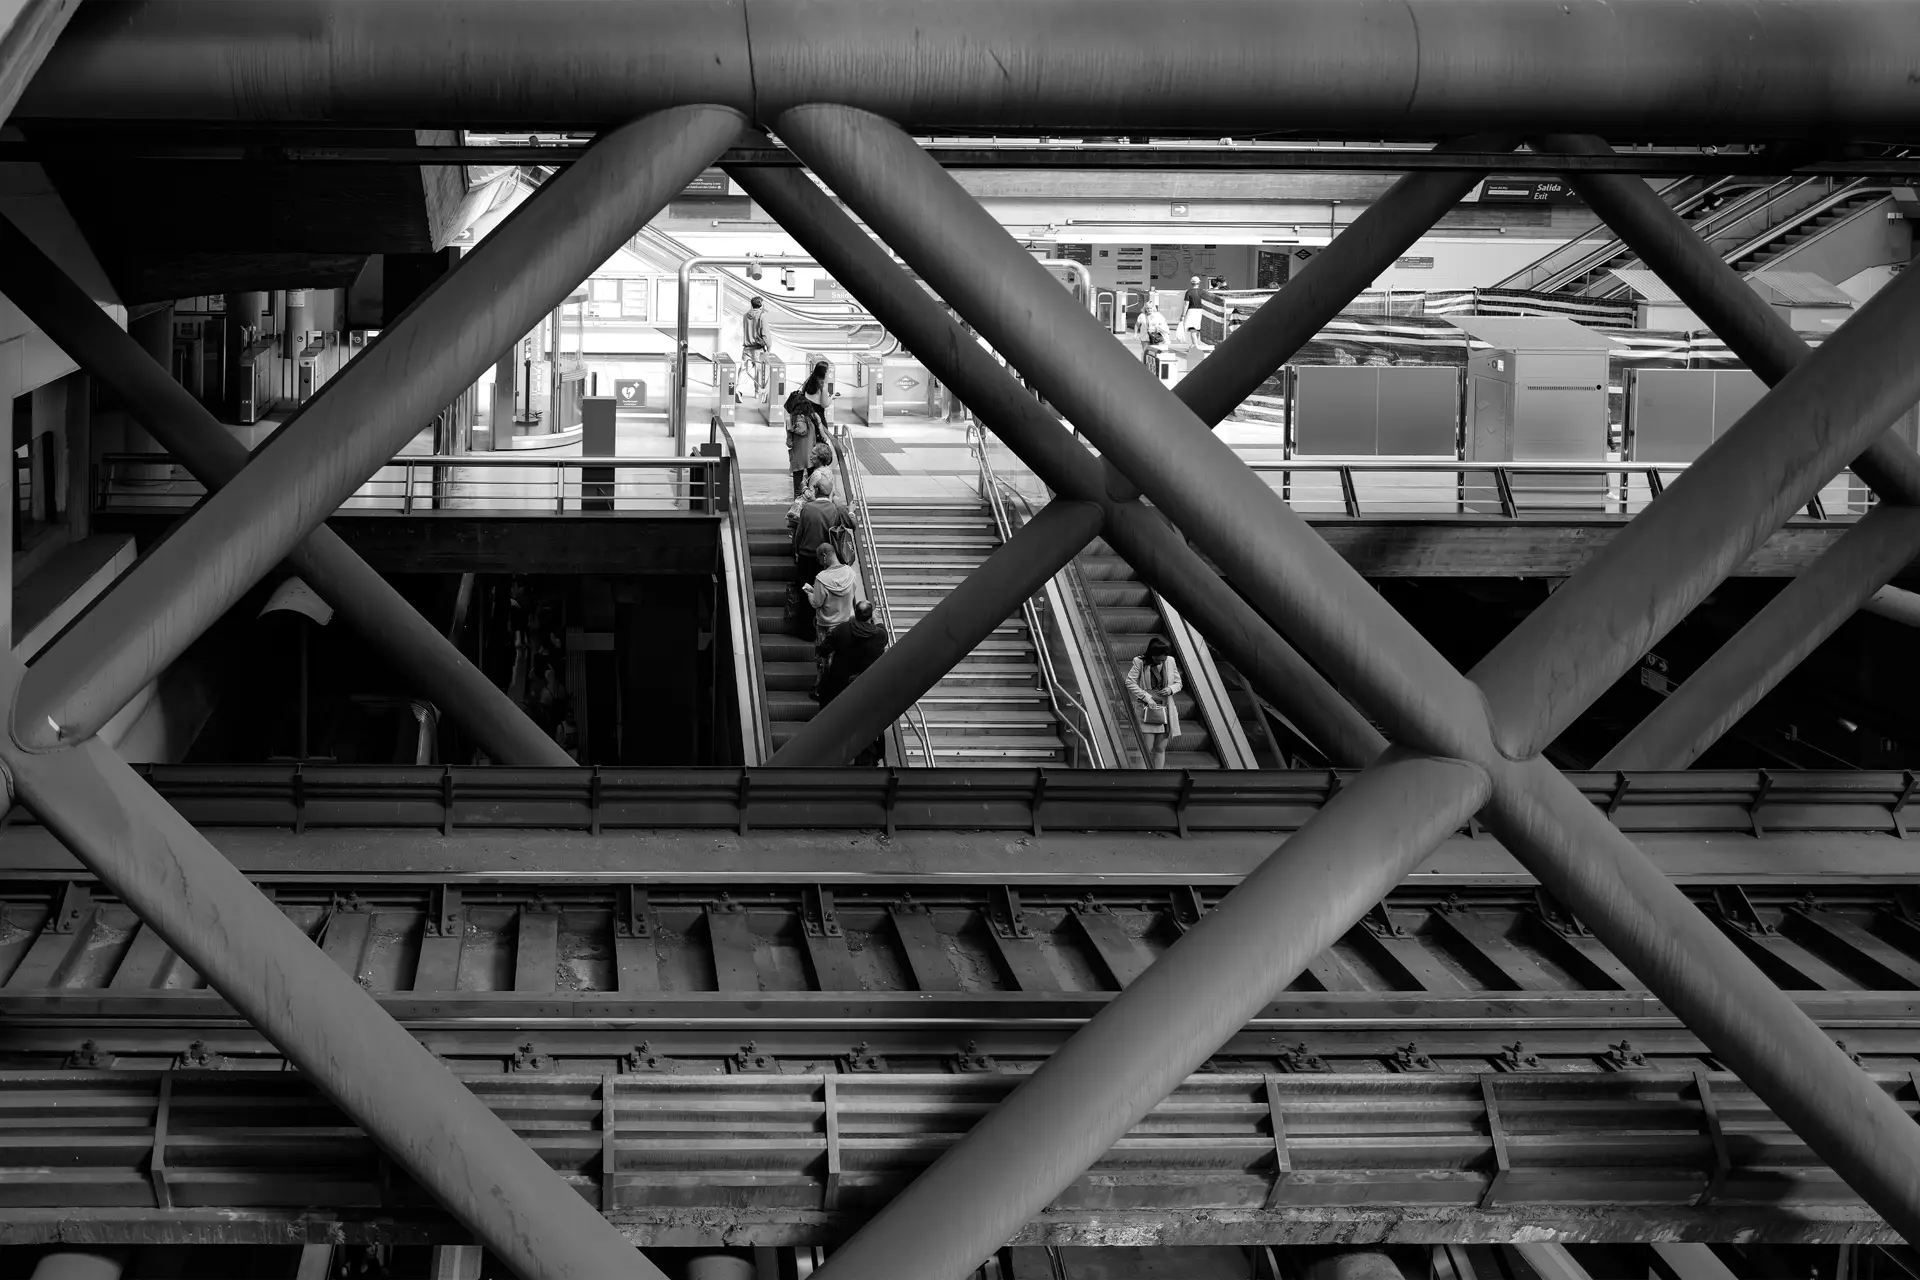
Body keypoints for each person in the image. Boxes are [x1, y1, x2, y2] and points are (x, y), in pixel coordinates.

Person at [818, 599, 889, 765]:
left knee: (830, 710)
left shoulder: (842, 630)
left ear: (855, 613)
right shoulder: (880, 636)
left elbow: (824, 649)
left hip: (838, 682)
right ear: (870, 616)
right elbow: (881, 629)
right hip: (865, 686)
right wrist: (877, 619)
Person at [789, 477, 856, 634]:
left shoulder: (807, 508)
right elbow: (851, 524)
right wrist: (851, 510)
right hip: (825, 559)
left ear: (816, 491)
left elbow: (799, 532)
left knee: (805, 591)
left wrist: (797, 550)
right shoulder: (835, 510)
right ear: (830, 492)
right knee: (823, 594)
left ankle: (804, 630)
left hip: (806, 556)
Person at [804, 541, 866, 691]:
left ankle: (821, 686)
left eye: (820, 559)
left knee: (822, 656)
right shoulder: (850, 573)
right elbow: (852, 593)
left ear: (824, 556)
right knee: (839, 656)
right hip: (844, 623)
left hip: (826, 625)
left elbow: (817, 603)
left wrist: (809, 593)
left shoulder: (822, 578)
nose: (820, 563)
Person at [1125, 635, 1184, 769]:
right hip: (1147, 709)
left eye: (1163, 660)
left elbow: (1178, 683)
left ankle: (1158, 777)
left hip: (1166, 709)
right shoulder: (1139, 661)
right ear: (1152, 655)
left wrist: (1170, 689)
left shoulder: (1170, 661)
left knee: (1160, 748)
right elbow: (1129, 682)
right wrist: (1147, 697)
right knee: (1146, 748)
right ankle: (1142, 780)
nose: (1160, 663)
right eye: (1158, 660)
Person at [740, 297, 767, 396]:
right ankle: (757, 393)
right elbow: (765, 333)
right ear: (761, 305)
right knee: (758, 371)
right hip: (757, 348)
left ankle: (739, 390)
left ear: (752, 305)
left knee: (743, 369)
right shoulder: (762, 316)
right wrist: (769, 346)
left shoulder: (745, 316)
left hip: (746, 347)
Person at [1137, 296, 1172, 371]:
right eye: (1148, 308)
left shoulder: (1158, 315)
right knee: (1146, 353)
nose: (1149, 310)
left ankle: (1154, 370)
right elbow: (1137, 325)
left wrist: (1159, 328)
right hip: (1145, 337)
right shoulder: (1142, 316)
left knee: (1155, 354)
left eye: (1150, 308)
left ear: (1153, 308)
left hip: (1155, 338)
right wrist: (1135, 334)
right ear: (1145, 309)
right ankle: (1145, 369)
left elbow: (1164, 325)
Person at [1179, 275, 1206, 347]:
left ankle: (1195, 344)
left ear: (1191, 283)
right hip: (1201, 312)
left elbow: (1186, 304)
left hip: (1192, 312)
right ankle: (1194, 343)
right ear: (1199, 283)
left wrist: (1183, 315)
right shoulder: (1203, 292)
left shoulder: (1189, 292)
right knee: (1197, 329)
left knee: (1193, 330)